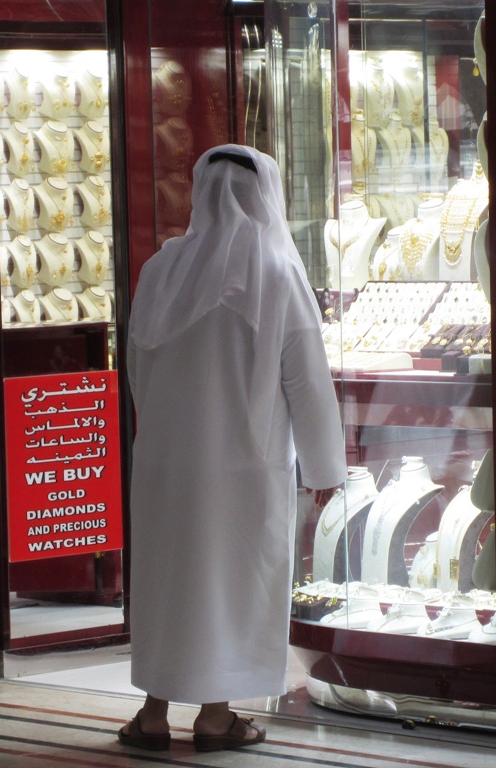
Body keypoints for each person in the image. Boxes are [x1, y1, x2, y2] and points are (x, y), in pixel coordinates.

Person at [119, 144, 347, 752]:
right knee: (229, 585)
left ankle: (151, 714)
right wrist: (325, 466)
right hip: (243, 467)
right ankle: (217, 717)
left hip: (166, 465)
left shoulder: (161, 270)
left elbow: (137, 368)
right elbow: (305, 378)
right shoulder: (275, 273)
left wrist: (171, 429)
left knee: (171, 584)